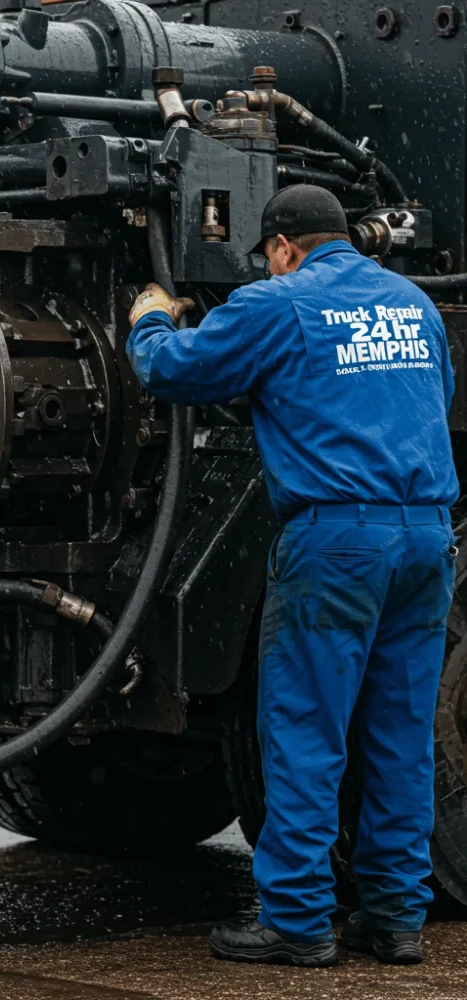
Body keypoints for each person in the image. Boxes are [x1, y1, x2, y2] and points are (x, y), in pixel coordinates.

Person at [127, 185, 458, 968]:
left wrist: (148, 316)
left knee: (307, 734)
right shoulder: (414, 304)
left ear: (281, 247)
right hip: (426, 536)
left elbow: (175, 370)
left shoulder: (277, 302)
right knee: (400, 735)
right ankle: (393, 918)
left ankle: (299, 921)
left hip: (338, 540)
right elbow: (430, 400)